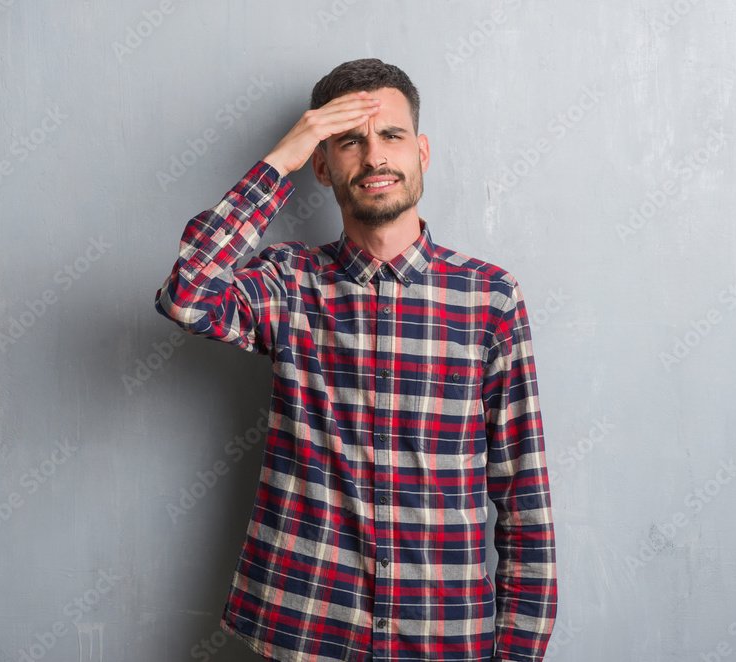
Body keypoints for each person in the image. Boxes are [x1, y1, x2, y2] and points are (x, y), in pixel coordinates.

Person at [155, 58, 556, 662]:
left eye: (391, 135)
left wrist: (520, 652)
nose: (375, 158)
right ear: (322, 163)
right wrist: (279, 161)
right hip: (304, 630)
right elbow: (188, 296)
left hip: (443, 636)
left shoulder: (489, 297)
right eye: (350, 141)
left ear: (421, 151)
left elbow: (523, 492)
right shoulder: (288, 282)